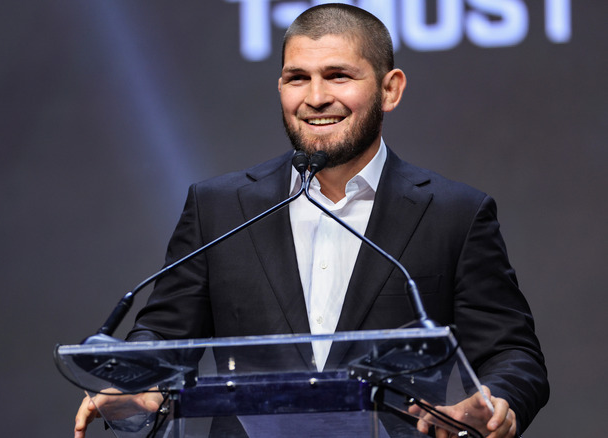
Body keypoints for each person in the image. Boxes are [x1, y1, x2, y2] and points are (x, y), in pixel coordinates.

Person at [75, 4, 548, 437]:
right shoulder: (220, 208)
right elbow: (164, 336)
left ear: (390, 88)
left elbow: (511, 352)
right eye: (297, 77)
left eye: (338, 76)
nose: (316, 97)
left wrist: (496, 400)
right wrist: (139, 383)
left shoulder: (453, 213)